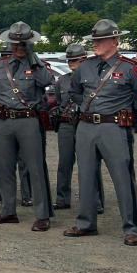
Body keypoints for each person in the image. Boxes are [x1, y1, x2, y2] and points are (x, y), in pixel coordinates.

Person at [63, 19, 137, 246]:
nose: (96, 44)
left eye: (101, 40)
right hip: (86, 126)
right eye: (94, 40)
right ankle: (86, 223)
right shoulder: (85, 66)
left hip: (114, 128)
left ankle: (132, 228)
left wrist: (129, 114)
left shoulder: (129, 67)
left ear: (115, 41)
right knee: (85, 176)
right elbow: (74, 92)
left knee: (123, 178)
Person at [0, 22, 55, 230]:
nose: (19, 47)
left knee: (35, 168)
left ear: (30, 44)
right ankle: (8, 211)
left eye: (23, 44)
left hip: (28, 121)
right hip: (4, 121)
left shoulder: (37, 65)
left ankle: (43, 215)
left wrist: (33, 58)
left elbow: (47, 81)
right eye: (15, 43)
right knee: (5, 167)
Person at [52, 43, 104, 213]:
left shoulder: (94, 78)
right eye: (69, 60)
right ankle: (62, 199)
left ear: (84, 59)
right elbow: (59, 102)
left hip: (84, 122)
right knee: (64, 163)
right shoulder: (63, 80)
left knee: (90, 164)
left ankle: (95, 201)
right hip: (67, 123)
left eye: (75, 60)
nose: (71, 63)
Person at [0, 40, 33, 205]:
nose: (5, 57)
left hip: (20, 116)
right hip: (0, 115)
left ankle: (27, 194)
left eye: (7, 54)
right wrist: (1, 104)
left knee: (23, 158)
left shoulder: (26, 65)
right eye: (3, 54)